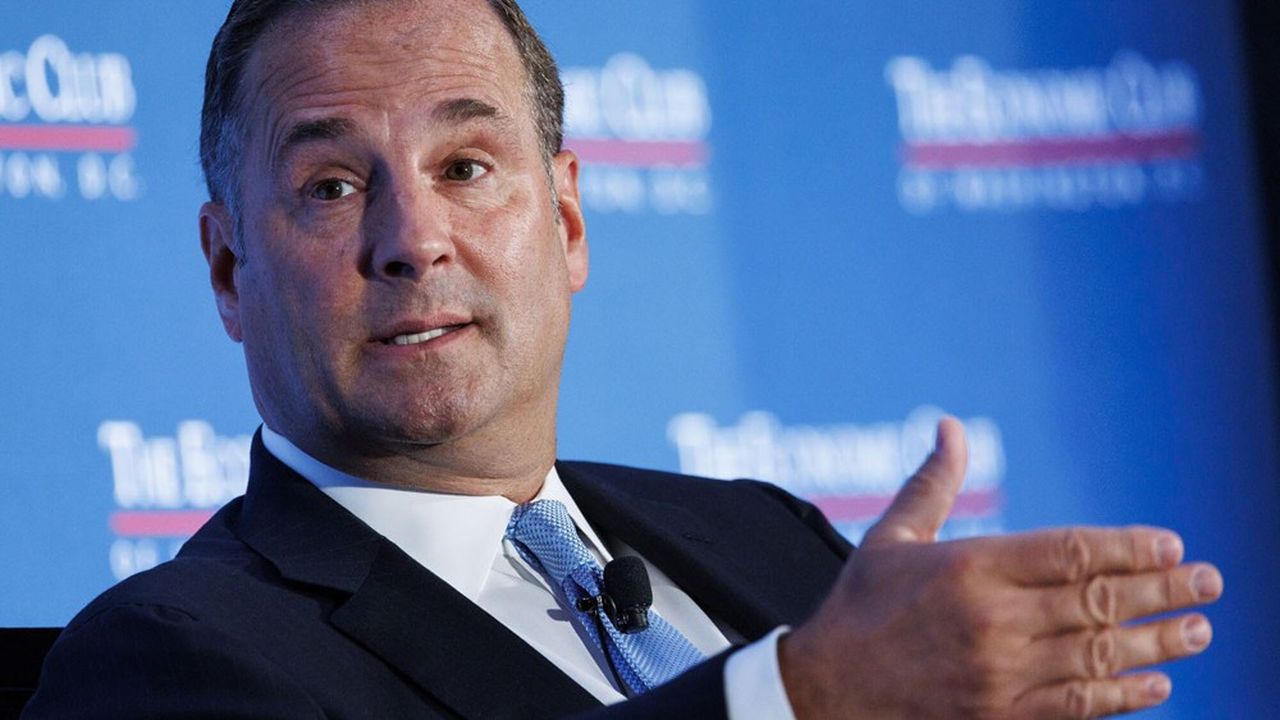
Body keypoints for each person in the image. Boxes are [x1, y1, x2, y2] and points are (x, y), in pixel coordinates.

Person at [23, 0, 1223, 718]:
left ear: (567, 221)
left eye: (465, 167)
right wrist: (794, 701)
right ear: (229, 270)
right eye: (332, 187)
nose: (412, 239)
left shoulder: (765, 536)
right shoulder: (164, 660)